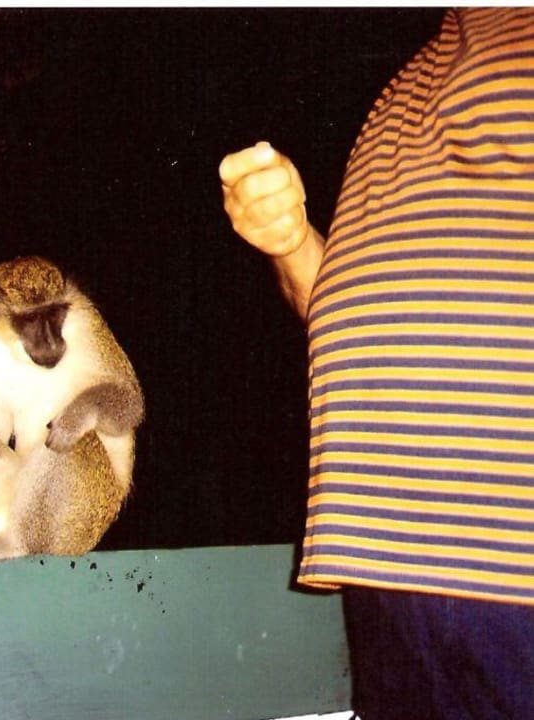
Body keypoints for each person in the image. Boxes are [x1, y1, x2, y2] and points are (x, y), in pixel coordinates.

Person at [219, 8, 534, 720]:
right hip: (387, 559)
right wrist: (290, 241)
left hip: (513, 551)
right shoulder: (410, 77)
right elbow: (338, 306)